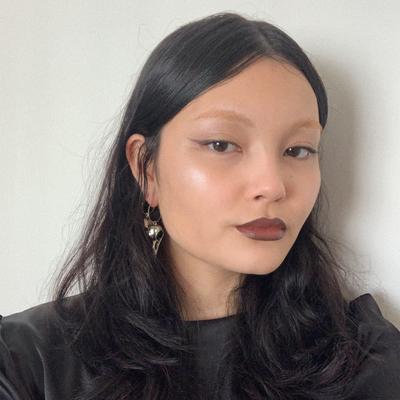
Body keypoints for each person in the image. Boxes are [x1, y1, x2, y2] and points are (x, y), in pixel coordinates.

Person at [1, 11, 399, 400]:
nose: (273, 186)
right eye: (221, 144)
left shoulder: (364, 358)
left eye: (298, 150)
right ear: (146, 168)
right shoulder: (27, 362)